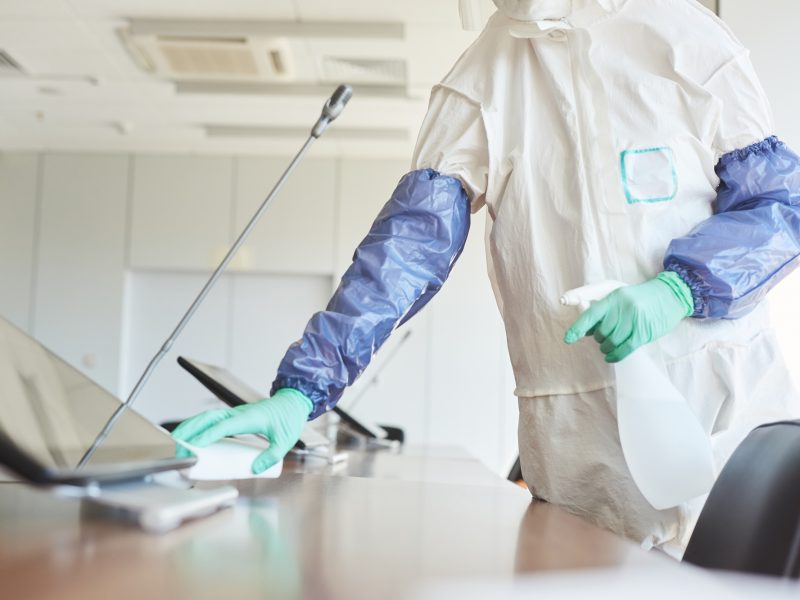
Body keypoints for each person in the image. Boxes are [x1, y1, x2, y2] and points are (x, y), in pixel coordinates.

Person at [173, 0, 800, 554]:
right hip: (580, 435)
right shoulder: (480, 82)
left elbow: (779, 207)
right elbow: (407, 250)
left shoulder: (687, 40)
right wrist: (303, 390)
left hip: (723, 403)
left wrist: (678, 289)